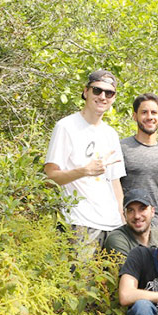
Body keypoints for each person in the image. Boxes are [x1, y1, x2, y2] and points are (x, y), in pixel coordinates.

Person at [44, 69, 126, 251]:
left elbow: (115, 182)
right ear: (85, 91)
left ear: (114, 98)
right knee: (80, 279)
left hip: (113, 226)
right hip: (79, 224)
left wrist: (121, 217)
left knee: (111, 279)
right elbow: (50, 176)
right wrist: (84, 171)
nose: (103, 97)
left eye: (109, 93)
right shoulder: (66, 126)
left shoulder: (111, 134)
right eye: (97, 90)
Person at [119, 93, 158, 233]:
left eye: (153, 112)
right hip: (125, 227)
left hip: (157, 228)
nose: (149, 117)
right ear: (135, 116)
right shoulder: (121, 149)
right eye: (144, 112)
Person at [103, 189, 157, 258]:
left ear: (152, 211)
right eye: (131, 210)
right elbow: (127, 268)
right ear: (124, 215)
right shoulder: (117, 239)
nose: (137, 216)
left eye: (142, 209)